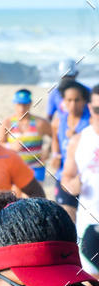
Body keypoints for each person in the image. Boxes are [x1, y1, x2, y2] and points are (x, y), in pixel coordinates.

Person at [51, 80, 90, 222]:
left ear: (84, 101)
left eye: (77, 100)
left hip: (86, 178)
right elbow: (55, 138)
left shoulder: (91, 122)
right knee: (67, 219)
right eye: (69, 100)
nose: (73, 104)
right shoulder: (59, 121)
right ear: (64, 101)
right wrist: (56, 154)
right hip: (64, 176)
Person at [0, 88, 52, 184]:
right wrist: (10, 146)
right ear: (14, 103)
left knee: (34, 198)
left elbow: (56, 137)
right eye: (19, 104)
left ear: (30, 103)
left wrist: (49, 150)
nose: (21, 108)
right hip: (15, 168)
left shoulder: (40, 123)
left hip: (36, 168)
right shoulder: (7, 123)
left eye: (25, 104)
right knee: (16, 198)